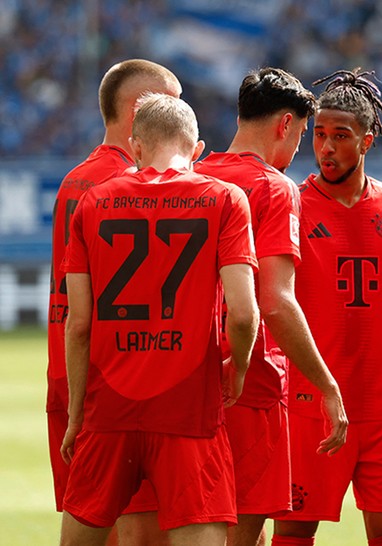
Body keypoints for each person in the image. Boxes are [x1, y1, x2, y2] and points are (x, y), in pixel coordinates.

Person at [59, 93, 259, 546]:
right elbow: (244, 313)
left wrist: (76, 415)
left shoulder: (93, 202)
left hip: (110, 411)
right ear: (197, 149)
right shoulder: (225, 199)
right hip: (189, 411)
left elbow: (79, 324)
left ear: (135, 146)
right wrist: (239, 367)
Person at [272, 68, 382, 546]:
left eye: (340, 137)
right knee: (293, 531)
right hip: (310, 401)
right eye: (319, 134)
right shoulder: (290, 205)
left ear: (367, 141)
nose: (326, 147)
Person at [194, 67, 348, 546]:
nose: (299, 147)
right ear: (285, 124)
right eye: (301, 134)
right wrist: (327, 385)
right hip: (250, 382)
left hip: (186, 376)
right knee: (241, 527)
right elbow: (276, 302)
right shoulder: (274, 187)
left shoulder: (193, 176)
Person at [47, 58, 182, 545]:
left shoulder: (75, 180)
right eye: (172, 104)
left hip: (68, 377)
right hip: (119, 388)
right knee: (142, 534)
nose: (181, 117)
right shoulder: (130, 187)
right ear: (142, 109)